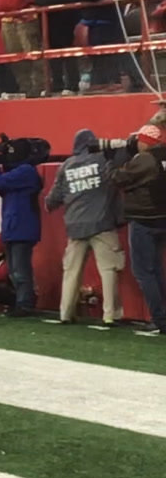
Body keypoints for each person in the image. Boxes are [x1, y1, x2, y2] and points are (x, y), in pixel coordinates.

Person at [44, 129, 127, 325]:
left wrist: (51, 203)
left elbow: (53, 198)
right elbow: (126, 153)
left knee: (71, 271)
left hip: (75, 226)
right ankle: (110, 315)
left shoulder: (66, 166)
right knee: (108, 270)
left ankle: (65, 313)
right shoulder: (103, 160)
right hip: (102, 224)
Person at [111, 124, 166, 335]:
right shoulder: (161, 156)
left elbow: (117, 178)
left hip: (145, 219)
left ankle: (159, 319)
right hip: (162, 217)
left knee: (144, 271)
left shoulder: (145, 159)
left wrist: (118, 158)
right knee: (157, 270)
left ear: (144, 140)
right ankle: (162, 316)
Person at [0, 139, 44, 317]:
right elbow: (1, 186)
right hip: (14, 226)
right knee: (15, 270)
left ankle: (25, 304)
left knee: (20, 269)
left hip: (22, 227)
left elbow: (0, 183)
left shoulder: (26, 171)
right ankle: (21, 302)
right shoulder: (20, 173)